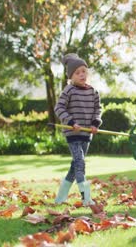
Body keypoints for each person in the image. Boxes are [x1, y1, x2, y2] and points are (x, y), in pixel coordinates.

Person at [54, 53, 102, 206]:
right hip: (73, 133)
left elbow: (98, 110)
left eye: (84, 71)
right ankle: (86, 198)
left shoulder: (93, 92)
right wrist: (71, 121)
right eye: (77, 73)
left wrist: (95, 123)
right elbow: (59, 107)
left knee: (75, 166)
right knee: (80, 163)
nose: (82, 75)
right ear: (71, 77)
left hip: (87, 134)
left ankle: (60, 198)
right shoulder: (69, 90)